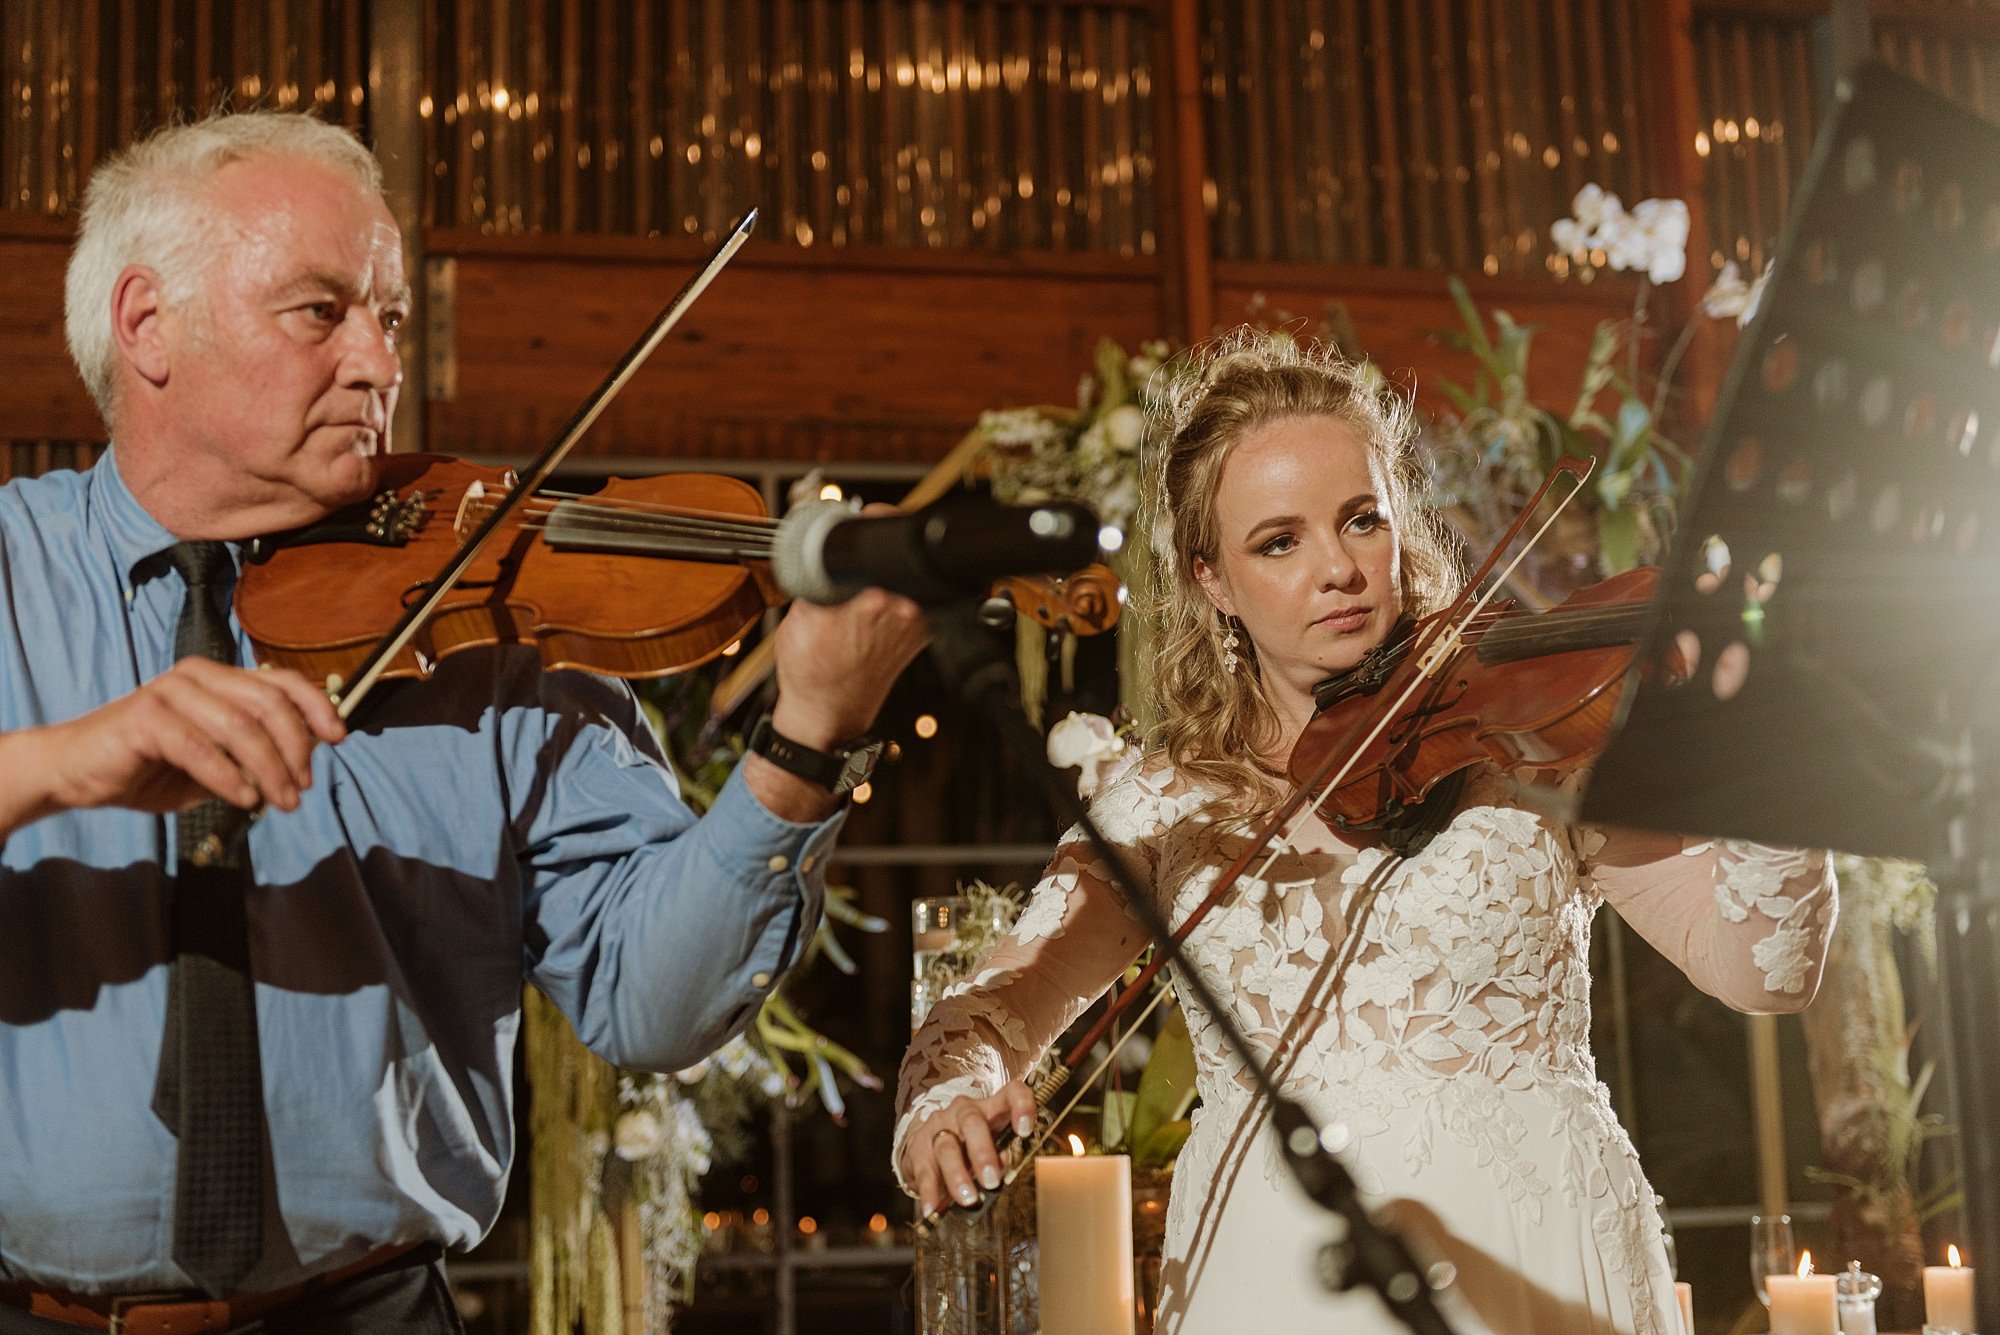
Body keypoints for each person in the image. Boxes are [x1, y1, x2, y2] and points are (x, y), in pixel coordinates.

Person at [0, 112, 926, 1332]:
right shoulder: (14, 569)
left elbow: (651, 1004)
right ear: (147, 324)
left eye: (386, 317)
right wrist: (62, 763)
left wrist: (806, 741)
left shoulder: (488, 608)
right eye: (320, 311)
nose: (380, 363)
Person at [895, 335, 1836, 1335]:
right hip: (1275, 1276)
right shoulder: (1164, 805)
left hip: (1536, 1256)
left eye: (1359, 521)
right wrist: (949, 1100)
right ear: (1209, 578)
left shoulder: (1522, 749)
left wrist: (1763, 741)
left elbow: (1764, 972)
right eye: (1278, 542)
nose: (1338, 569)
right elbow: (991, 1011)